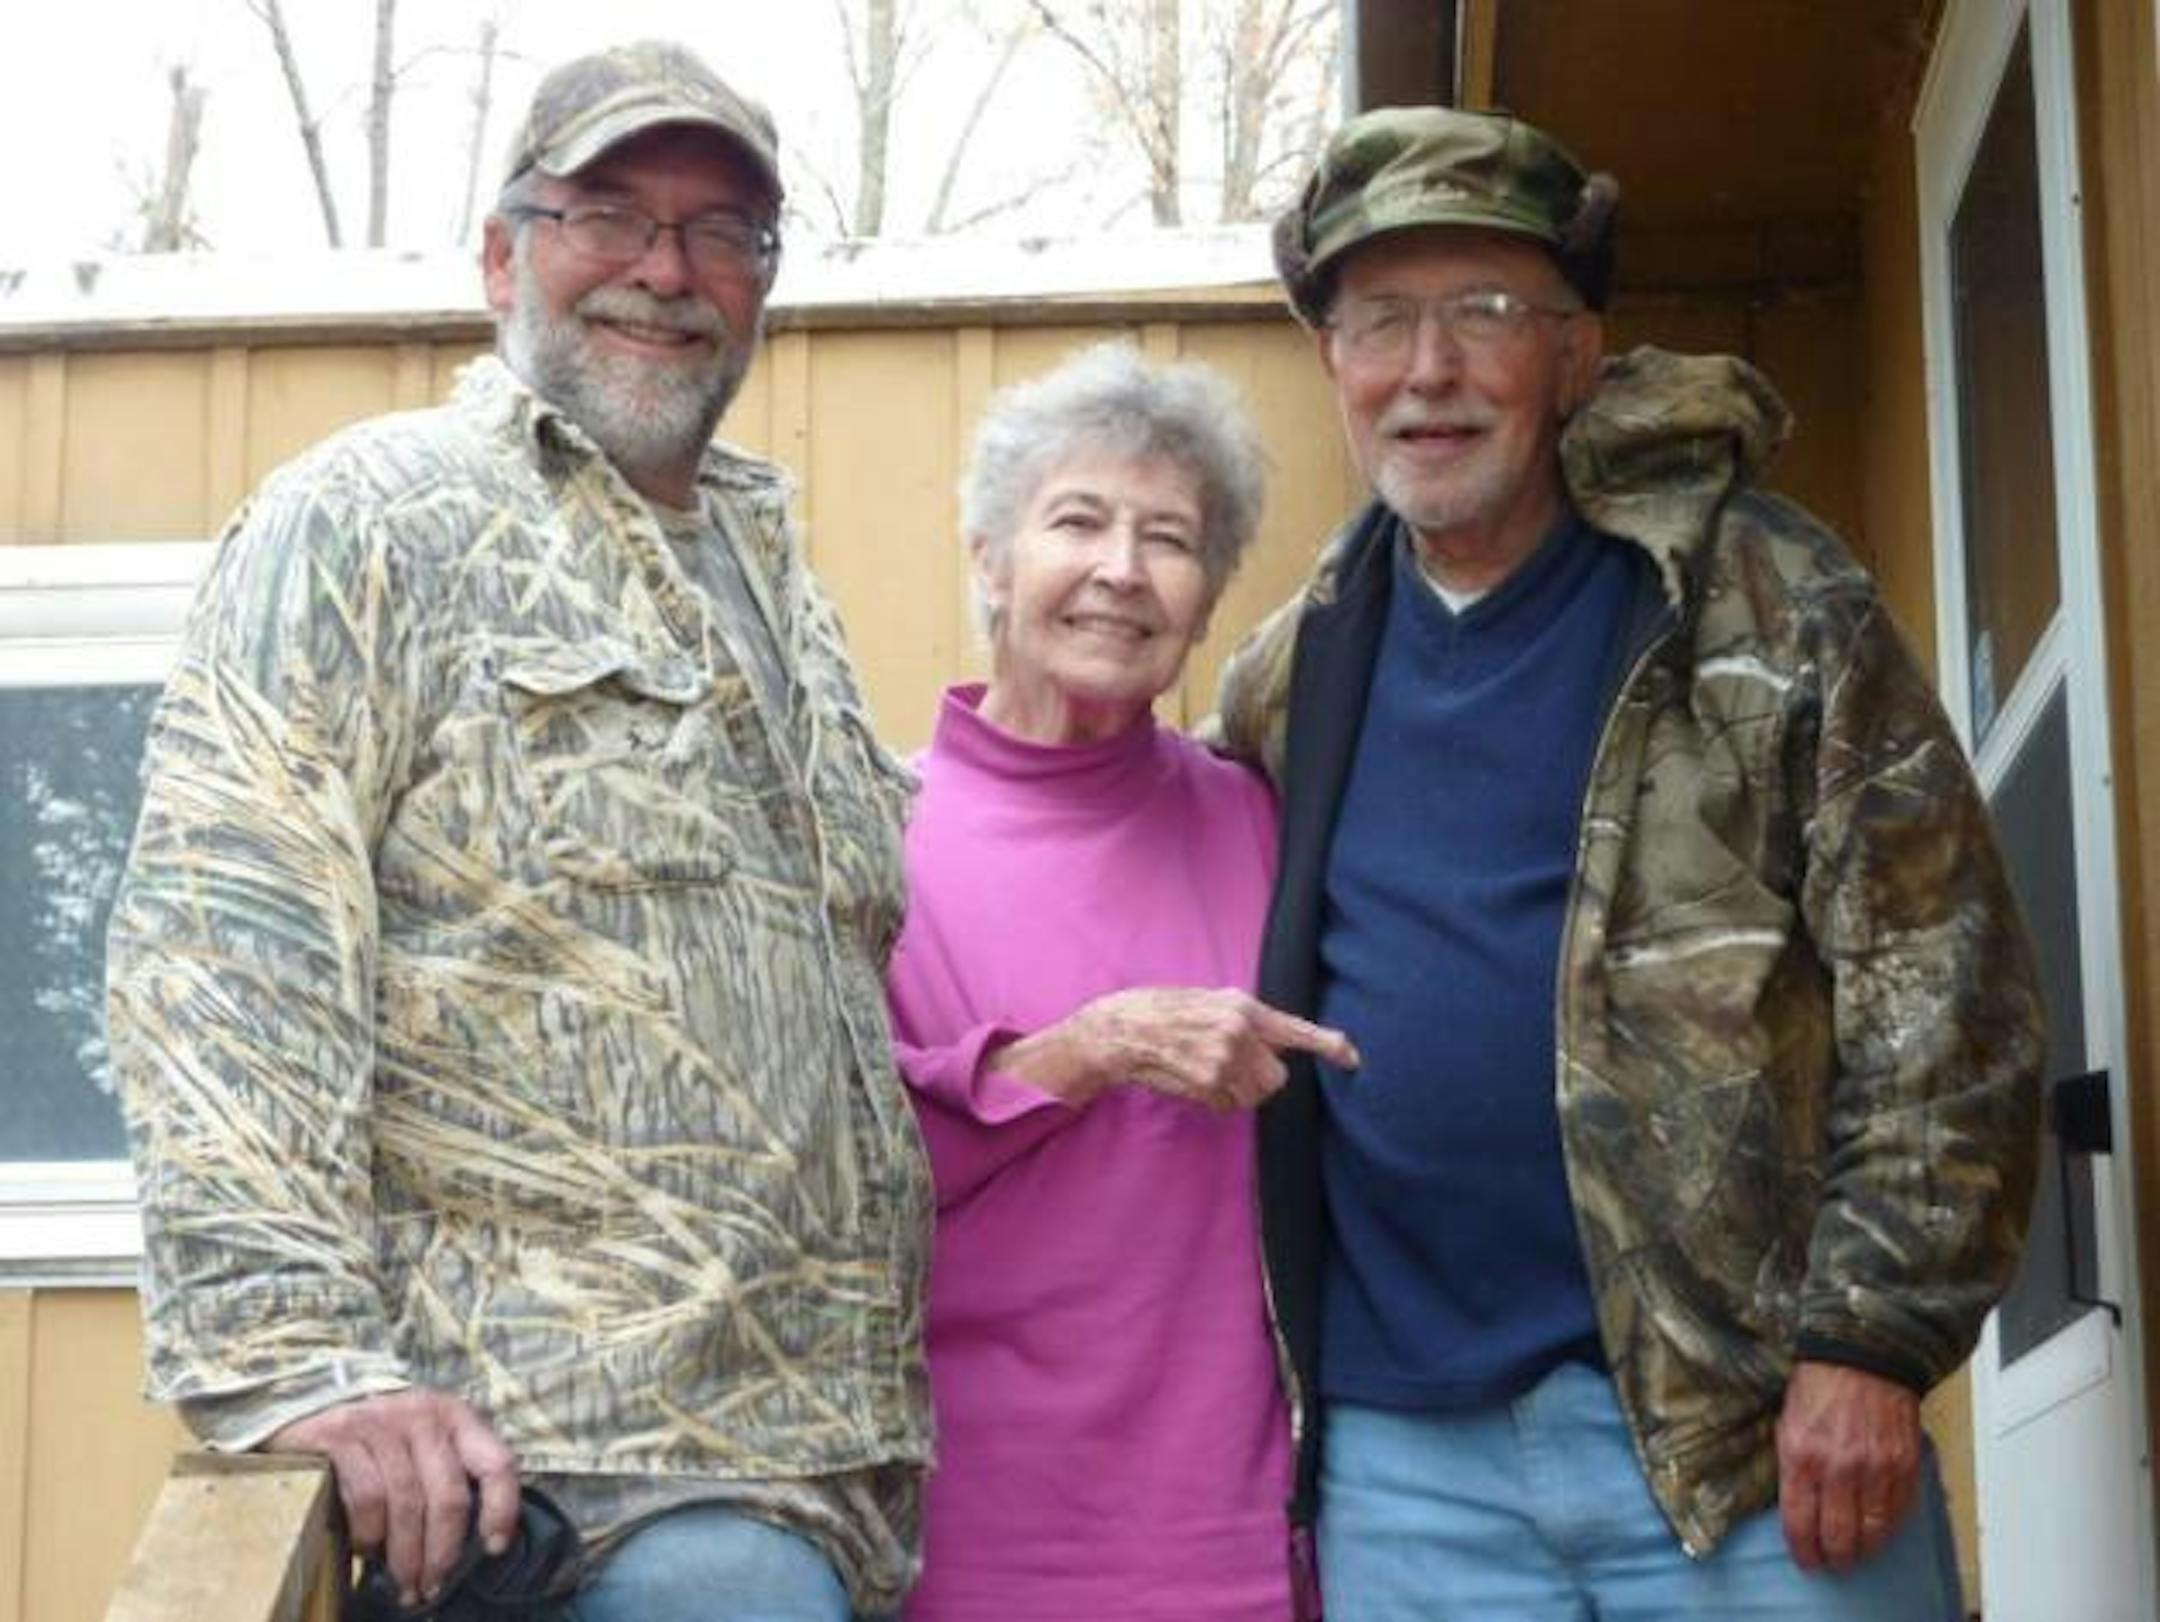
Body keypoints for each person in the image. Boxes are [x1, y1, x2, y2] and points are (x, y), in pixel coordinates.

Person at [105, 41, 930, 1622]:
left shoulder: (774, 582)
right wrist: (294, 1362)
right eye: (606, 212)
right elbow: (227, 947)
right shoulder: (368, 518)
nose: (665, 270)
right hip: (562, 1494)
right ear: (500, 256)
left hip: (822, 1481)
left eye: (722, 234)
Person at [1212, 106, 2045, 1619]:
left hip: (1748, 1440)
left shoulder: (1766, 601)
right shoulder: (1289, 677)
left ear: (1580, 354)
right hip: (1405, 1469)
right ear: (1333, 361)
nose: (1430, 369)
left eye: (1487, 313)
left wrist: (1869, 1341)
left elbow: (1949, 995)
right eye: (1381, 319)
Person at [884, 343, 1358, 1621]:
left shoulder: (1267, 822)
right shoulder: (867, 839)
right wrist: (1083, 1051)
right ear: (989, 558)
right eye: (1076, 521)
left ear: (1206, 603)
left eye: (1170, 538)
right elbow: (830, 1178)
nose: (1120, 570)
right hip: (969, 1537)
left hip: (1245, 1541)